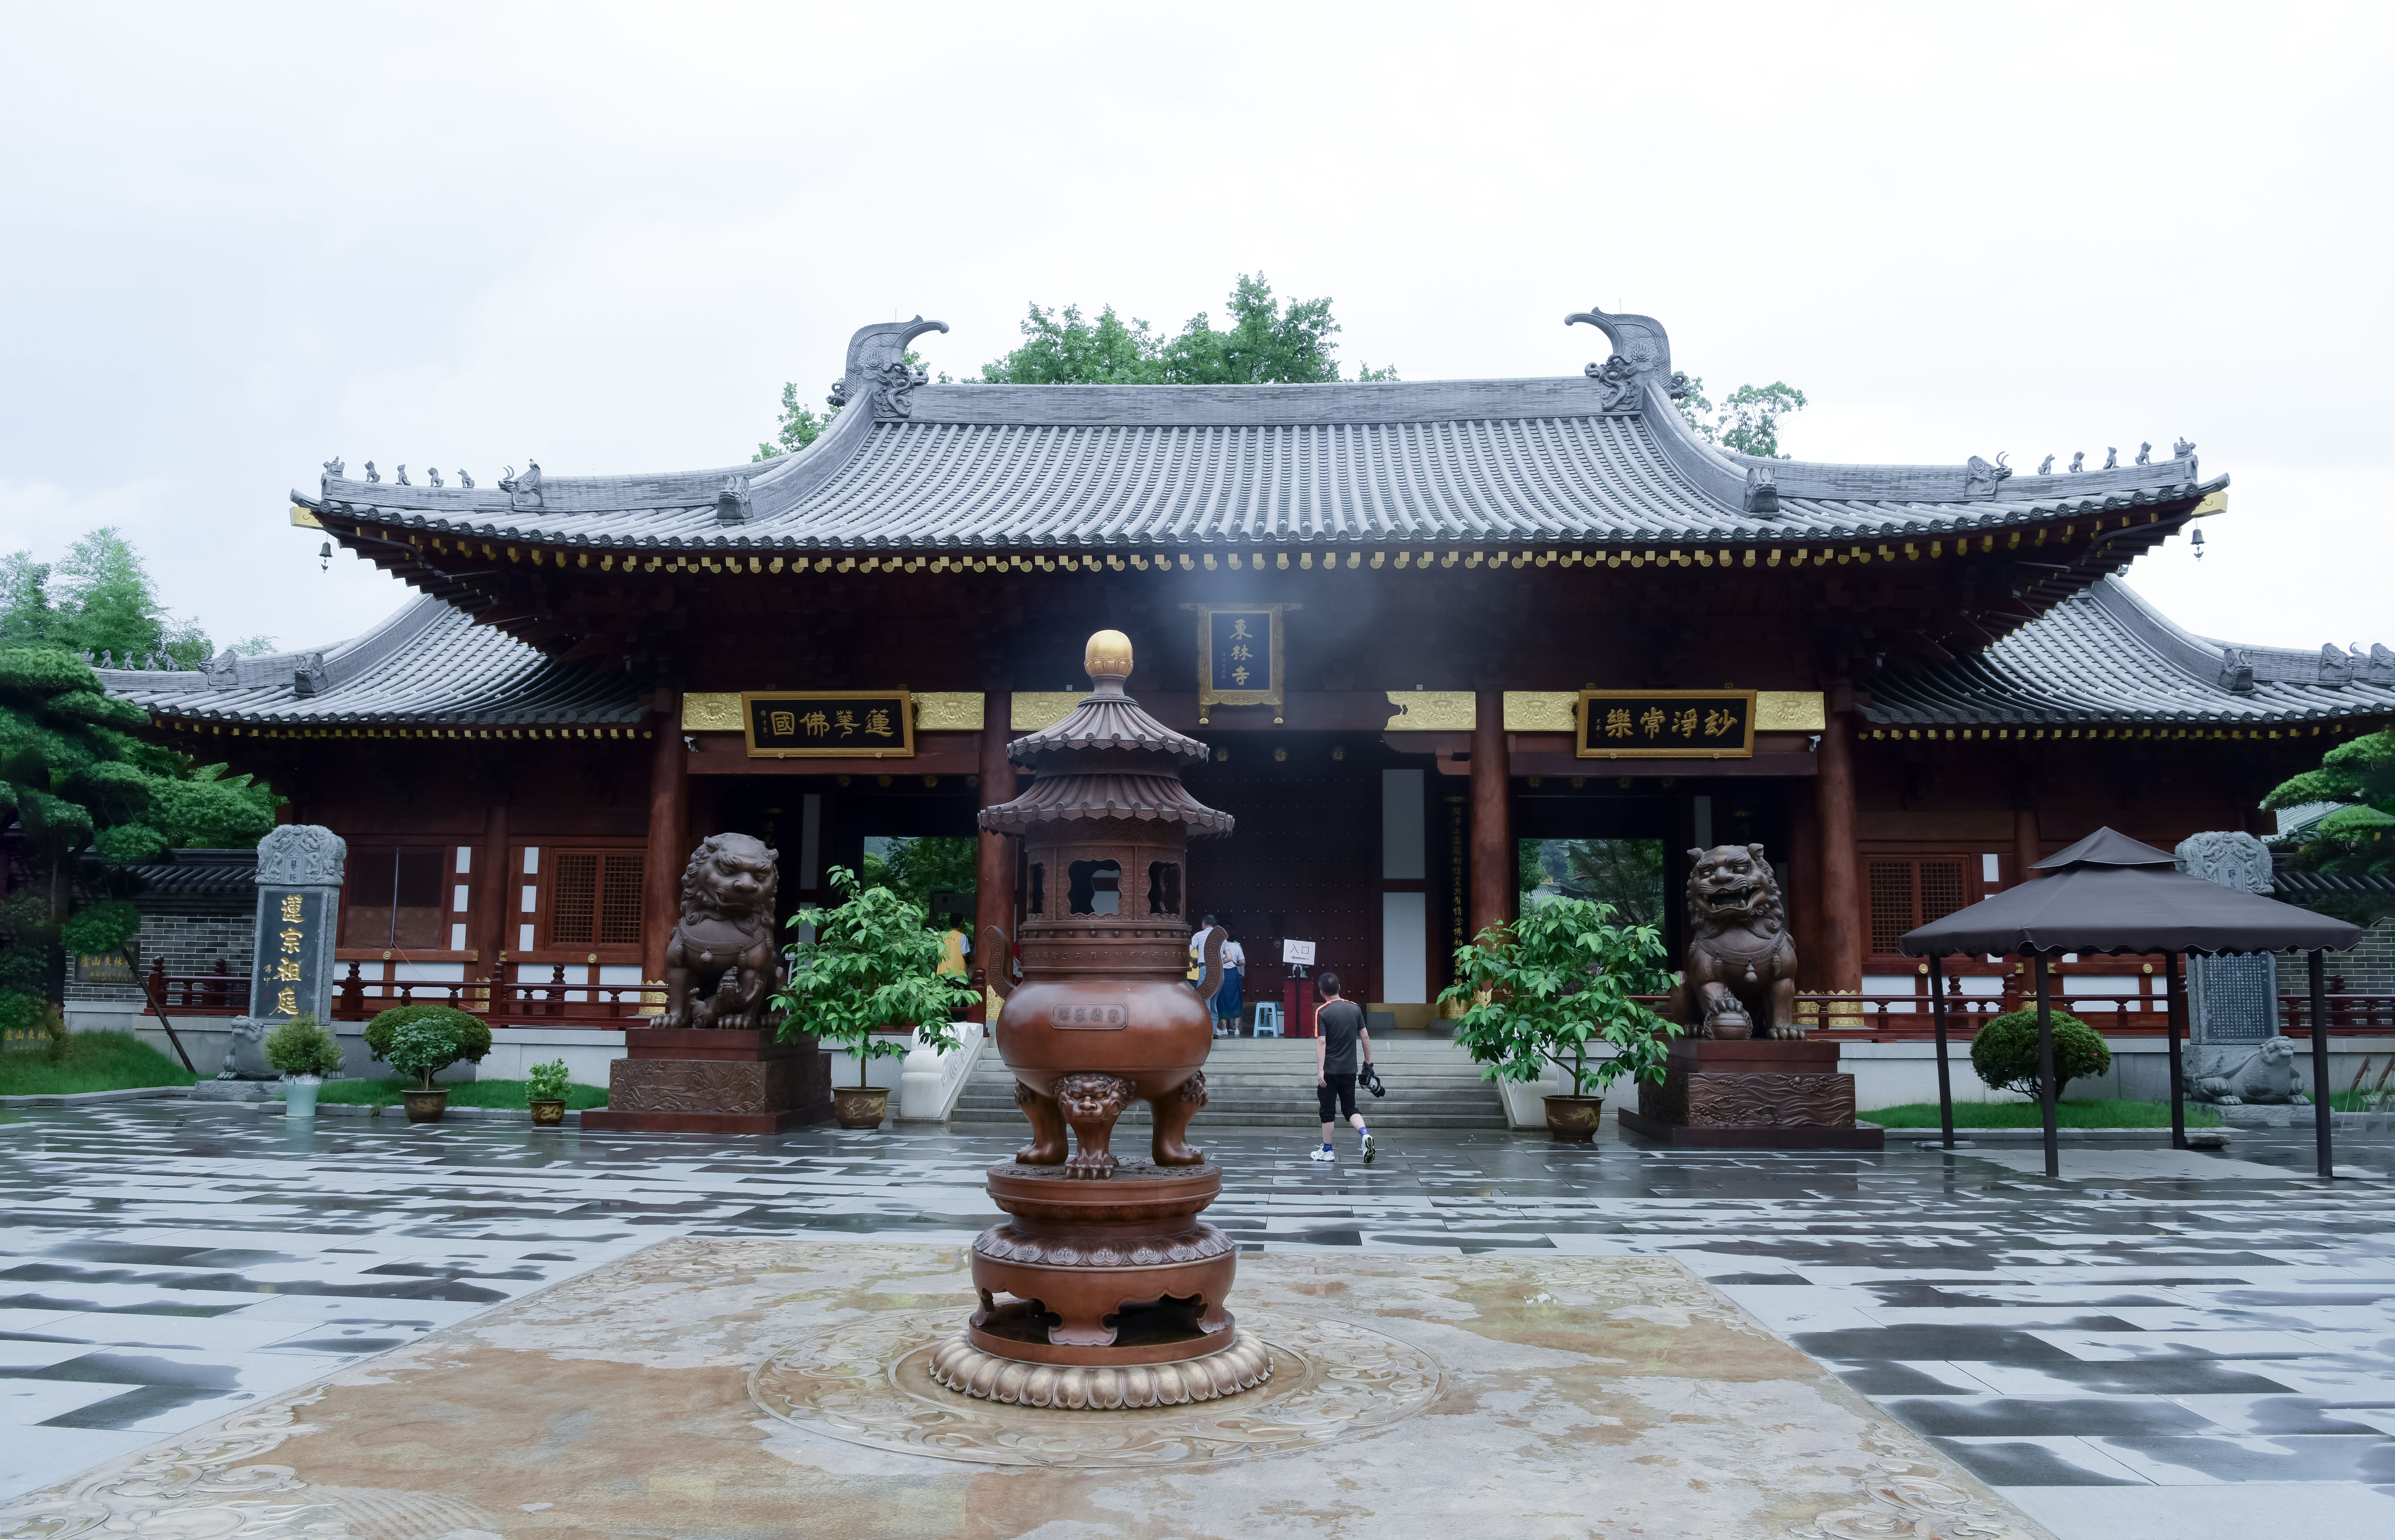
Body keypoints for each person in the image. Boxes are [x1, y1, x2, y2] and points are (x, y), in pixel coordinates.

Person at [1309, 971, 1375, 1163]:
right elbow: (1365, 1038)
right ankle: (1364, 1134)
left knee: (1328, 1110)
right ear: (1339, 988)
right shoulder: (1355, 1009)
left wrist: (1320, 1070)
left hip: (1330, 1071)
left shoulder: (1322, 1011)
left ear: (1322, 993)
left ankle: (1328, 1151)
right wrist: (1368, 1063)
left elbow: (1322, 1042)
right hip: (1350, 1070)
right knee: (1350, 1108)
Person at [1212, 926, 1246, 1037]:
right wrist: (1236, 964)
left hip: (1223, 973)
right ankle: (1236, 1029)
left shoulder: (1220, 945)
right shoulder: (1237, 946)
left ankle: (1224, 1028)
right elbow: (1243, 962)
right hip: (1233, 974)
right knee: (1236, 999)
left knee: (1222, 999)